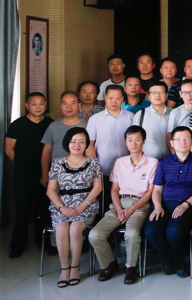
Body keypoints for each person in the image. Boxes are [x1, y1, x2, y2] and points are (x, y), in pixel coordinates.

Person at [89, 126, 157, 285]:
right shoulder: (120, 162)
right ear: (126, 142)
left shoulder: (153, 162)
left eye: (137, 139)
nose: (133, 143)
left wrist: (131, 209)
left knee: (132, 233)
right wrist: (120, 209)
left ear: (144, 141)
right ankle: (109, 264)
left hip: (139, 205)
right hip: (118, 204)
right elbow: (114, 190)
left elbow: (149, 192)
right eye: (130, 140)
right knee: (95, 234)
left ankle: (130, 268)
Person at [46, 127, 103, 288]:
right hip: (61, 204)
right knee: (61, 229)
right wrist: (62, 207)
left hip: (86, 203)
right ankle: (64, 268)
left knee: (75, 229)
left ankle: (75, 266)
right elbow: (51, 190)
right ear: (67, 143)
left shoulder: (93, 163)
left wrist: (82, 206)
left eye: (81, 142)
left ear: (86, 145)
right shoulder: (57, 163)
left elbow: (98, 187)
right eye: (73, 142)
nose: (77, 145)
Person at [145, 126, 192, 278]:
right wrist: (157, 206)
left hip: (188, 204)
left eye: (186, 139)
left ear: (191, 141)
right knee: (151, 231)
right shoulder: (164, 163)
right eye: (178, 139)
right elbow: (157, 190)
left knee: (173, 232)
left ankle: (178, 261)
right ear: (172, 143)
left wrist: (185, 204)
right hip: (164, 204)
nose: (182, 142)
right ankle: (167, 261)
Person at [5, 92, 53, 259]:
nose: (38, 107)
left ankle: (43, 242)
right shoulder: (17, 124)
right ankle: (18, 244)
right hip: (23, 175)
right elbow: (9, 149)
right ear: (27, 106)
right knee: (22, 210)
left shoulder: (50, 124)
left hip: (46, 174)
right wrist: (22, 164)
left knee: (44, 210)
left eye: (41, 103)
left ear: (45, 105)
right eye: (34, 104)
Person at [86, 85, 135, 178]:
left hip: (127, 168)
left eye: (117, 98)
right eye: (110, 98)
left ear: (122, 99)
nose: (114, 101)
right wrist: (94, 166)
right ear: (105, 98)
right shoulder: (95, 119)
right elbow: (89, 144)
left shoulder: (131, 117)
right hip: (102, 168)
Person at [42, 92, 88, 189]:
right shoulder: (53, 126)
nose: (68, 107)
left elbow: (91, 149)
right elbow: (47, 151)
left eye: (73, 103)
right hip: (57, 175)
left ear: (79, 105)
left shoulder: (87, 125)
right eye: (65, 103)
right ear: (60, 105)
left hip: (81, 175)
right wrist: (45, 174)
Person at [133, 81, 171, 160]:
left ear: (166, 95)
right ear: (149, 96)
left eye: (161, 92)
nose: (157, 95)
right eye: (153, 92)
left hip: (170, 160)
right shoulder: (141, 115)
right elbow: (135, 139)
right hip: (148, 160)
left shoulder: (173, 113)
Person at [167, 80, 192, 146]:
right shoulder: (175, 113)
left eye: (191, 92)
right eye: (185, 92)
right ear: (180, 94)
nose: (188, 95)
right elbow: (170, 135)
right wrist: (174, 152)